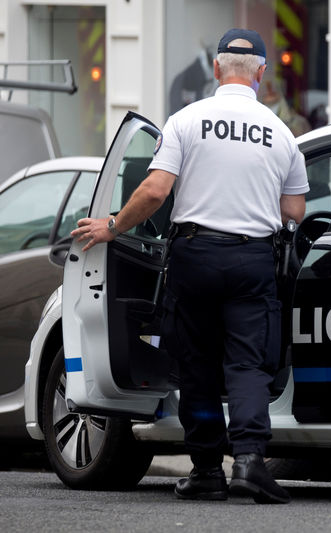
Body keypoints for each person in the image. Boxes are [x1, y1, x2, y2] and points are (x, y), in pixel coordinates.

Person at [72, 28, 309, 504]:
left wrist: (113, 227)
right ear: (260, 74)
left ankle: (206, 471)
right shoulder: (282, 133)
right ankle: (249, 463)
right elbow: (294, 212)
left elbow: (156, 191)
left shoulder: (186, 121)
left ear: (217, 69)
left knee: (197, 365)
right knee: (247, 365)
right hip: (251, 258)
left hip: (194, 256)